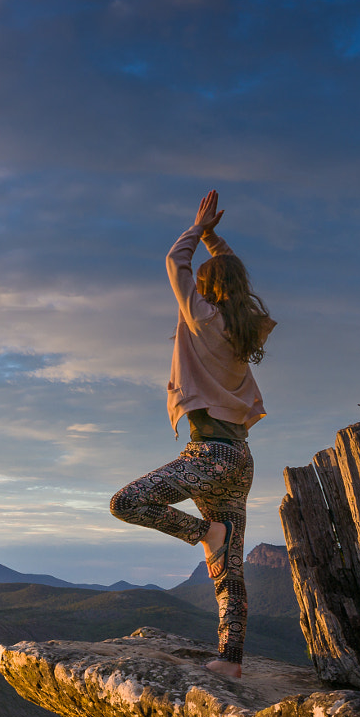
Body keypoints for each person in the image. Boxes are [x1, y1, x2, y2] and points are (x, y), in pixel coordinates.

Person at [109, 189, 275, 679]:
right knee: (231, 571)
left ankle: (208, 533)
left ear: (205, 289)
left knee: (127, 503)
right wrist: (216, 240)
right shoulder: (252, 328)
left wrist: (194, 229)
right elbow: (232, 279)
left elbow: (173, 261)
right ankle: (230, 661)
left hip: (209, 456)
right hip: (239, 460)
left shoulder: (201, 318)